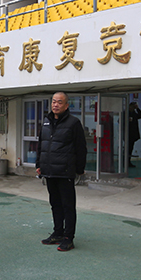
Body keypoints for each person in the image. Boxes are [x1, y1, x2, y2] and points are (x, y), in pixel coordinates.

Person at [36, 92, 87, 252]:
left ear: (66, 105)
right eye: (53, 102)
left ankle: (68, 238)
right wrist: (39, 164)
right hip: (49, 171)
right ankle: (58, 232)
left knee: (68, 206)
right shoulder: (46, 121)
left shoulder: (73, 123)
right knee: (55, 204)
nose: (55, 105)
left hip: (65, 172)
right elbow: (41, 144)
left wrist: (79, 169)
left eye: (59, 102)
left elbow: (81, 148)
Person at [128, 102, 141, 167]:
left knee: (130, 148)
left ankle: (128, 161)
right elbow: (120, 121)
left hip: (133, 133)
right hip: (128, 133)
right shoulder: (126, 113)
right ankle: (125, 161)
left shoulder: (134, 113)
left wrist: (137, 109)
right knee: (127, 148)